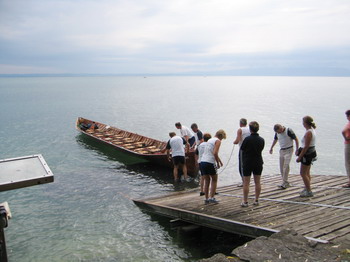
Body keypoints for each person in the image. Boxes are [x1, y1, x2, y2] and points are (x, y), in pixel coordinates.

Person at [240, 121, 265, 207]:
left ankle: (245, 201)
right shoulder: (262, 140)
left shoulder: (247, 139)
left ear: (250, 129)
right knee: (257, 182)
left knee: (246, 182)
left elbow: (242, 149)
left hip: (248, 162)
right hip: (258, 161)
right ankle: (256, 200)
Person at [269, 124, 299, 189]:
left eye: (279, 131)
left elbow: (296, 139)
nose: (279, 133)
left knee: (286, 165)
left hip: (289, 149)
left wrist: (297, 149)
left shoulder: (288, 130)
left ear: (281, 128)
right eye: (277, 132)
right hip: (282, 150)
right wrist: (271, 147)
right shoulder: (277, 133)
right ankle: (284, 181)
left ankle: (285, 182)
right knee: (281, 166)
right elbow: (275, 139)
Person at [200, 129, 226, 204]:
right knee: (214, 179)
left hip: (203, 161)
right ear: (220, 136)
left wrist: (220, 161)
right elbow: (215, 153)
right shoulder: (218, 141)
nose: (221, 140)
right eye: (222, 138)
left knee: (207, 180)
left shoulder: (209, 140)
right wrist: (217, 163)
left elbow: (211, 152)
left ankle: (206, 198)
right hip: (210, 162)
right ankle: (212, 197)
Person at [296, 116, 317, 197]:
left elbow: (306, 146)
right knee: (307, 172)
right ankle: (307, 187)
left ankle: (309, 191)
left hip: (307, 154)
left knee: (303, 173)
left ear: (305, 123)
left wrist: (300, 157)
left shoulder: (308, 132)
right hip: (311, 153)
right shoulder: (312, 130)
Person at [233, 118, 250, 187]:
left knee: (241, 165)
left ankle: (244, 181)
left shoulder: (240, 130)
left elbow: (238, 140)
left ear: (240, 123)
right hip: (250, 149)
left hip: (243, 150)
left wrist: (234, 142)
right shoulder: (249, 129)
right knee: (248, 165)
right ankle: (247, 180)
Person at [342, 110, 350, 188]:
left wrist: (347, 138)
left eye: (347, 116)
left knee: (348, 162)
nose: (347, 117)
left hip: (349, 144)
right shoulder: (349, 123)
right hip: (347, 143)